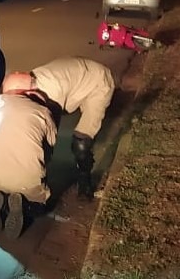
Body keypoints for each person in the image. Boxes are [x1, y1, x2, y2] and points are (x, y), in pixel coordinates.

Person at [0, 72, 58, 239]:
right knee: (40, 205)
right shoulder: (42, 111)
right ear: (31, 91)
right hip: (26, 183)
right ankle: (23, 205)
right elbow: (50, 147)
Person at [29, 57, 116, 199]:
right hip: (75, 79)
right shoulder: (23, 85)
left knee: (81, 141)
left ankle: (84, 182)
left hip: (98, 82)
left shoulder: (52, 90)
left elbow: (49, 136)